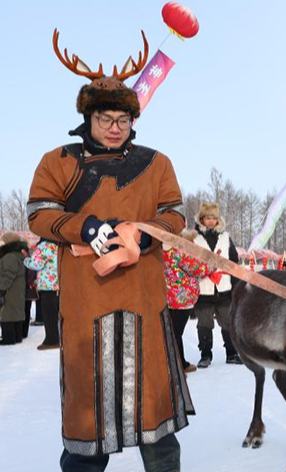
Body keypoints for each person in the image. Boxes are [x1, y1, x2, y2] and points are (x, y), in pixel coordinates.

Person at [27, 48, 191, 470]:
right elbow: (40, 214)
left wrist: (144, 232)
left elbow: (174, 214)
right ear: (89, 119)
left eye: (123, 120)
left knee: (157, 424)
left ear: (133, 121)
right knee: (88, 423)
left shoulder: (157, 164)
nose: (114, 128)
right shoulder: (58, 162)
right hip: (86, 305)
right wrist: (84, 227)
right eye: (105, 119)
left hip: (143, 300)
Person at [194, 202, 242, 367]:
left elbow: (234, 260)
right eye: (207, 218)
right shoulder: (195, 238)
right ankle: (205, 355)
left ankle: (232, 353)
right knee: (205, 323)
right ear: (202, 218)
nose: (210, 221)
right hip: (204, 288)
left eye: (213, 218)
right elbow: (190, 261)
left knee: (228, 322)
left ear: (217, 219)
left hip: (223, 288)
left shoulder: (225, 237)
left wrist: (236, 286)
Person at [164, 229, 212, 373]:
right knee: (176, 333)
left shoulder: (161, 251)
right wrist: (213, 264)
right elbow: (198, 269)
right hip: (182, 298)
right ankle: (180, 365)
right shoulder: (179, 252)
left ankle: (172, 363)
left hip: (167, 297)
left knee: (172, 331)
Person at [23, 239, 61, 349]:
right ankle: (57, 338)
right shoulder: (59, 245)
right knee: (55, 314)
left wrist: (26, 259)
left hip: (47, 285)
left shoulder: (44, 246)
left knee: (49, 315)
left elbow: (36, 264)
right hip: (59, 284)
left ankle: (51, 340)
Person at [0, 232, 28, 345]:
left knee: (7, 312)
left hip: (11, 289)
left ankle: (9, 338)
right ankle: (17, 336)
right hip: (17, 288)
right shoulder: (17, 254)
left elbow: (8, 274)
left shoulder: (10, 256)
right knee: (16, 312)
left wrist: (1, 288)